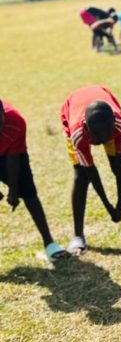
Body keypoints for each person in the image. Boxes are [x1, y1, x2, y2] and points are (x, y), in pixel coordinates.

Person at [61, 85, 121, 254]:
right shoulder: (78, 135)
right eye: (97, 135)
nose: (102, 139)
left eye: (106, 134)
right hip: (74, 113)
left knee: (120, 168)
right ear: (87, 126)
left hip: (105, 118)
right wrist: (109, 206)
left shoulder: (119, 126)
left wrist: (119, 203)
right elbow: (91, 172)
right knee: (81, 176)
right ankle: (78, 236)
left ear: (114, 122)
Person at [0, 98, 68, 261]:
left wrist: (14, 191)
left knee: (28, 190)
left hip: (8, 153)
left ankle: (49, 243)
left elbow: (14, 160)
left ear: (2, 113)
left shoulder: (15, 122)